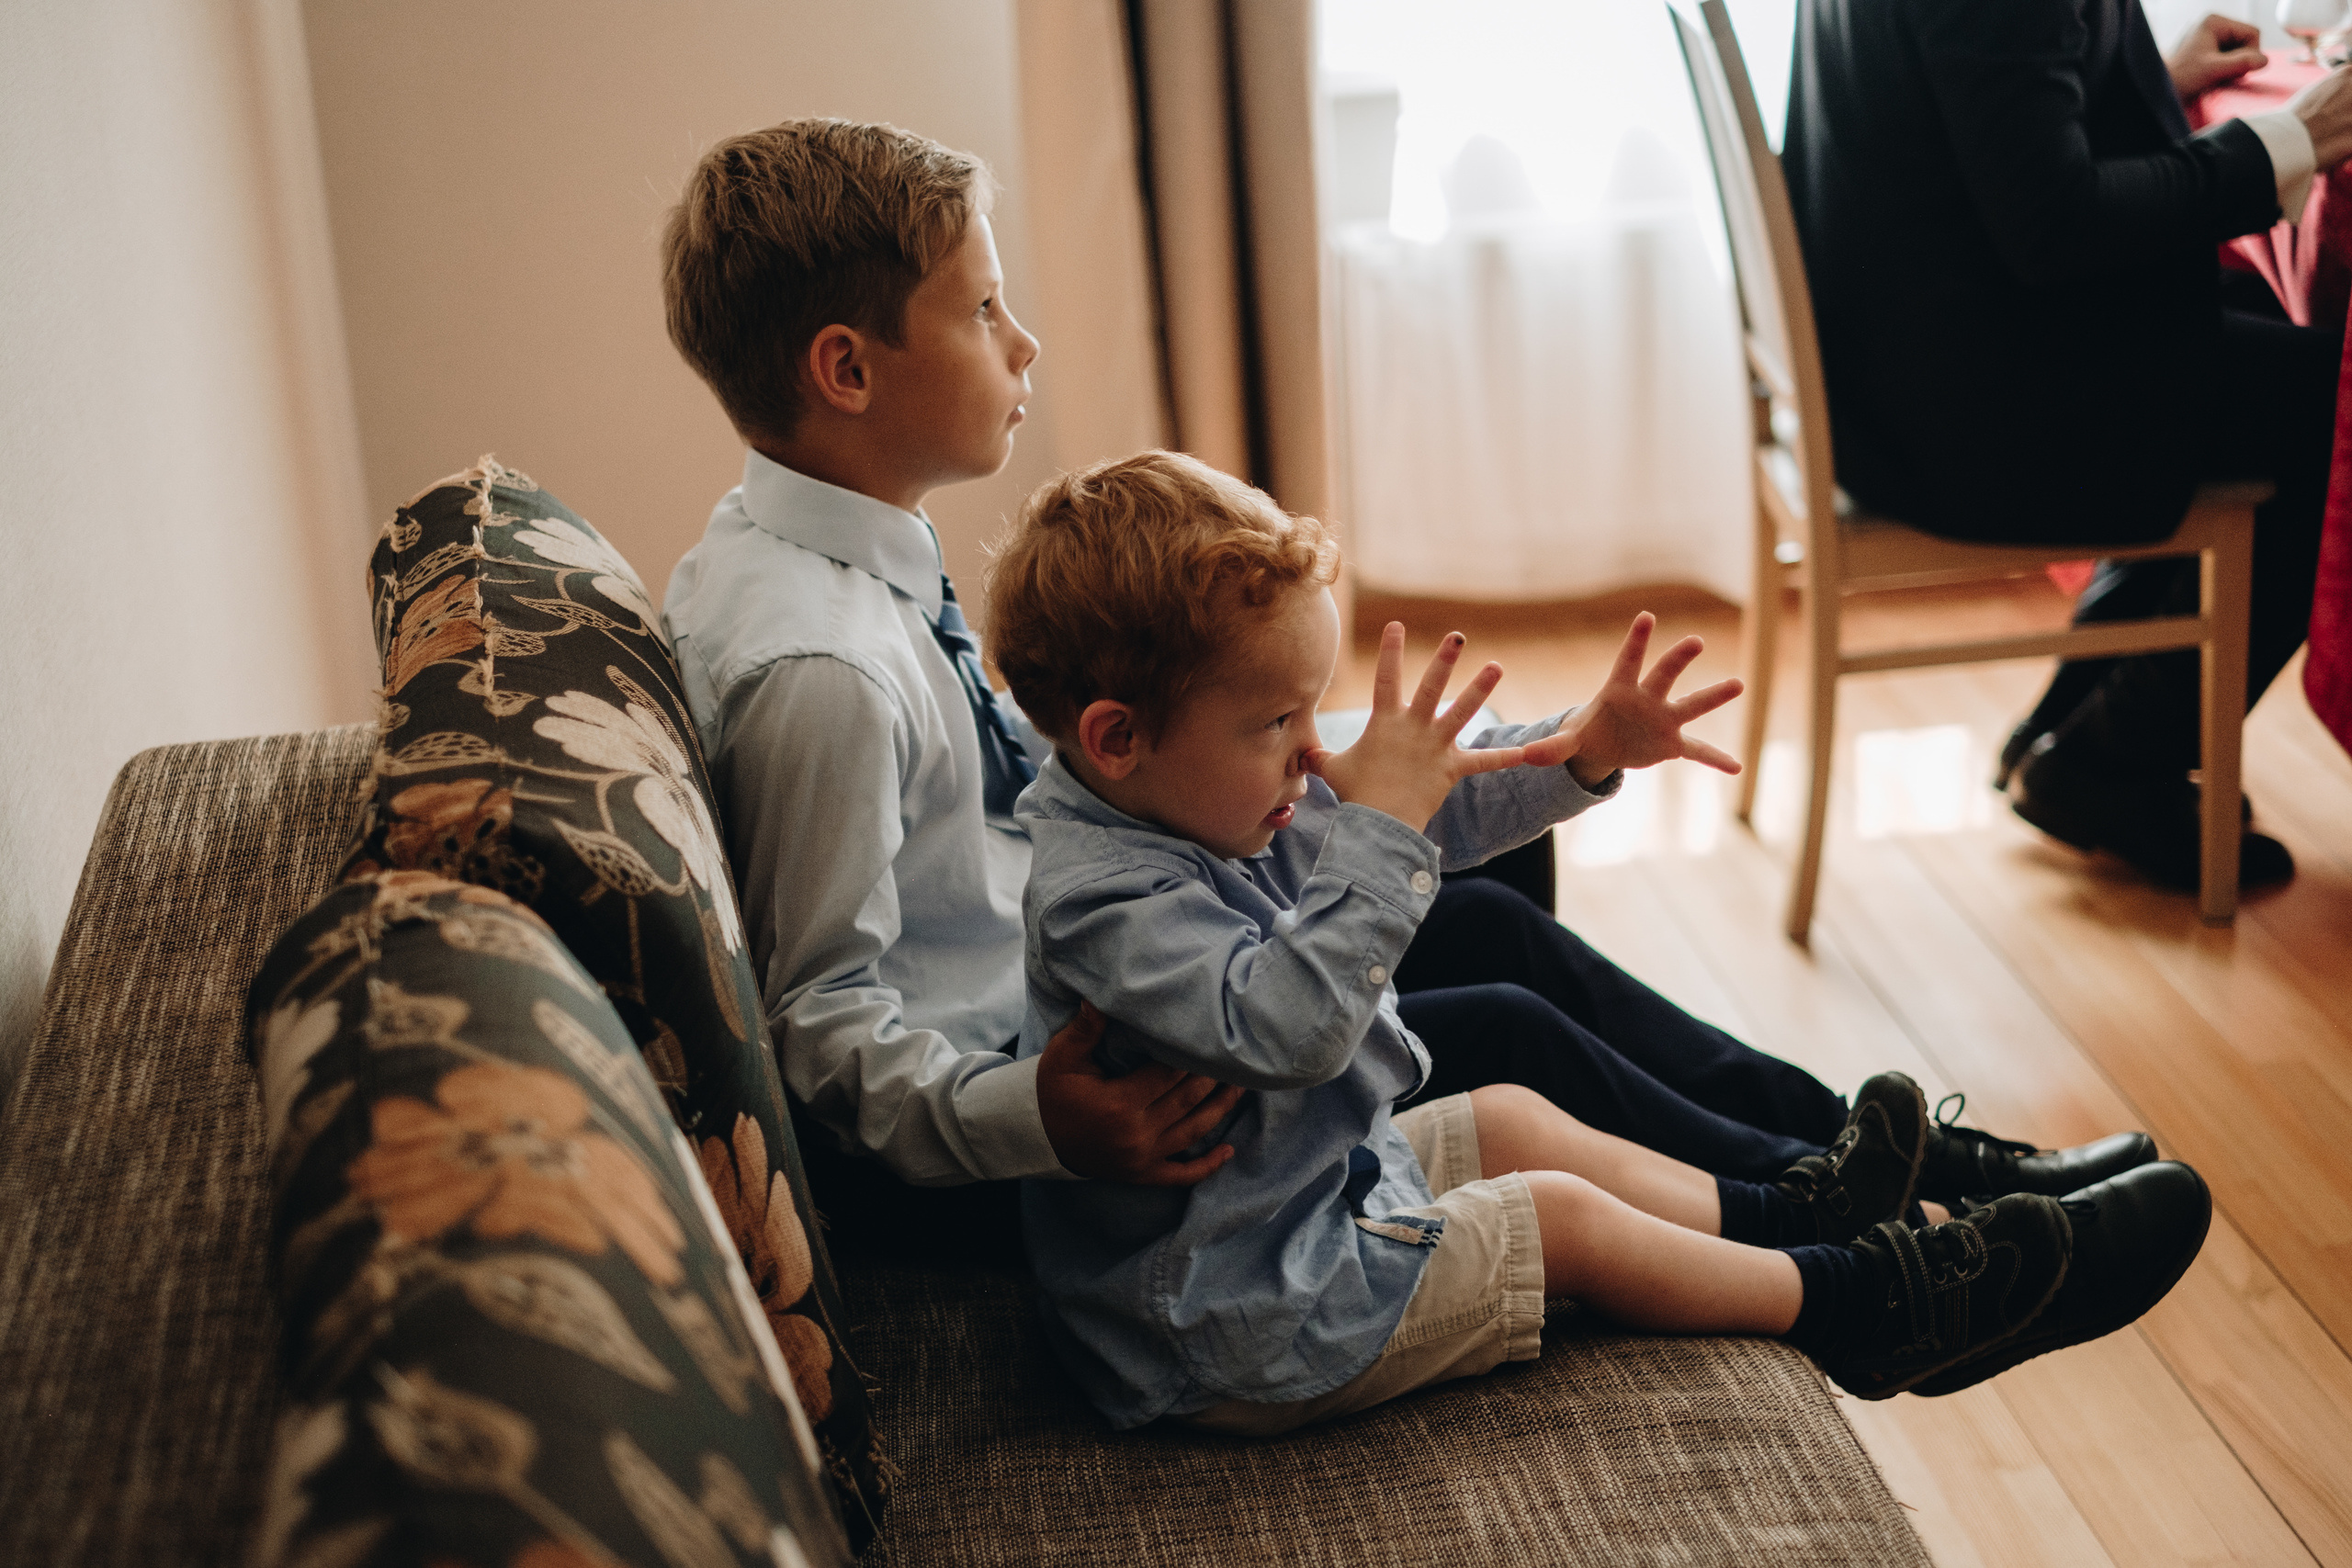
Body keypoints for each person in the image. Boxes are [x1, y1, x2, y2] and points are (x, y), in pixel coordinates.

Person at [655, 117, 2156, 1251]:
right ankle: (1834, 1223)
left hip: (1106, 975)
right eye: (982, 311)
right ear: (847, 371)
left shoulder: (819, 554)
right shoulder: (822, 672)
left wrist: (1551, 751)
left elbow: (1067, 796)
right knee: (1490, 1014)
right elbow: (824, 1033)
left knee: (1497, 908)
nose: (1023, 338)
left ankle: (1901, 1168)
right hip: (1085, 1124)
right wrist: (1040, 1117)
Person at [988, 450, 2209, 1431]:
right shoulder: (1103, 901)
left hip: (1284, 1207)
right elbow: (1289, 1026)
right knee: (1555, 1208)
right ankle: (1870, 1302)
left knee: (1515, 1110)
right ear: (1115, 735)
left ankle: (1801, 1204)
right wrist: (1373, 824)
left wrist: (1583, 750)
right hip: (1225, 1321)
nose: (1313, 750)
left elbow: (1440, 804)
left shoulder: (1190, 786)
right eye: (1279, 720)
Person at [1784, 3, 2352, 891]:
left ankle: (2077, 715)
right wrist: (2288, 138)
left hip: (1901, 366)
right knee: (2336, 403)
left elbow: (1981, 121)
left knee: (2263, 335)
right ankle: (2112, 761)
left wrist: (2157, 83)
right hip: (1975, 418)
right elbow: (2057, 226)